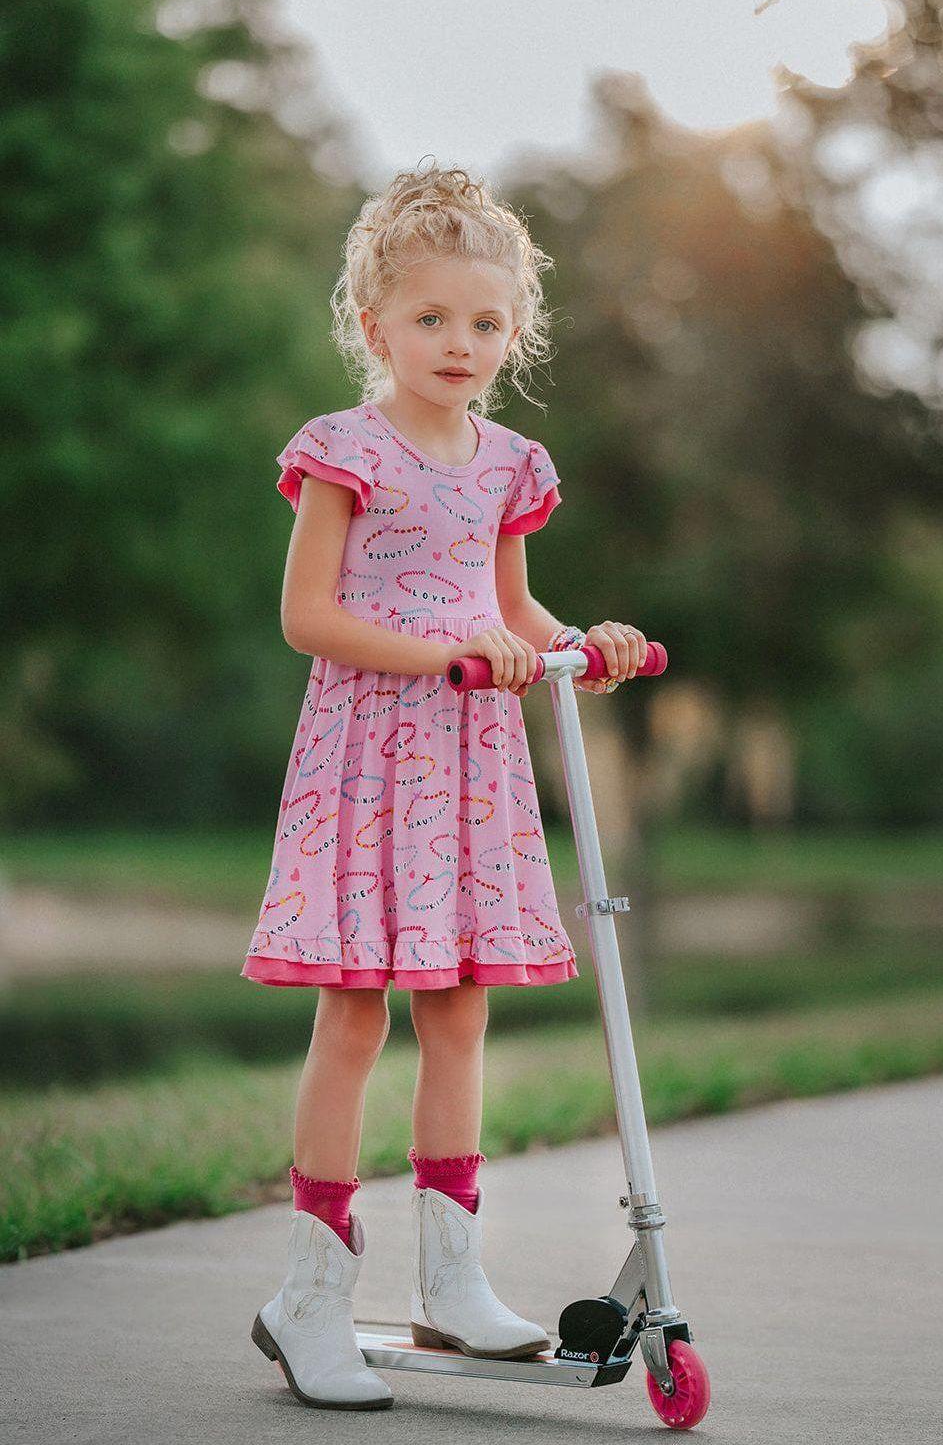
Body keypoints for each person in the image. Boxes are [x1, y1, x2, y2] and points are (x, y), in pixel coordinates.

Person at [244, 161, 649, 1410]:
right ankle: (311, 1293)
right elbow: (309, 617)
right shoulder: (342, 453)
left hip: (472, 763)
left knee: (461, 1008)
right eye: (430, 319)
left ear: (512, 334)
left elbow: (509, 606)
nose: (459, 342)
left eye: (484, 322)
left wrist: (583, 647)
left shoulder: (510, 463)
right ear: (375, 328)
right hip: (371, 751)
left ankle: (453, 1280)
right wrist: (448, 657)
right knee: (357, 1012)